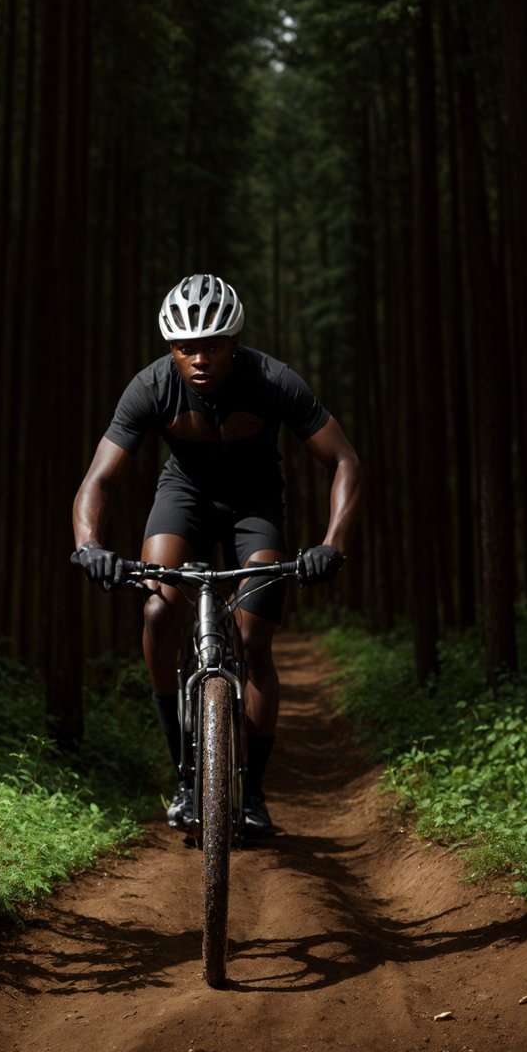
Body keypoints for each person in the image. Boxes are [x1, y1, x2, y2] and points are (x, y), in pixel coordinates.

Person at [72, 273, 362, 837]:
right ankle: (186, 775)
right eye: (185, 347)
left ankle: (251, 795)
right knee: (158, 609)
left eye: (210, 344)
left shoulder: (273, 380)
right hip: (182, 498)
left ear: (233, 342)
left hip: (255, 505)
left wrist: (333, 544)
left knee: (254, 639)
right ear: (170, 349)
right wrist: (89, 545)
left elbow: (345, 460)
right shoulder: (151, 387)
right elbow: (98, 480)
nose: (198, 358)